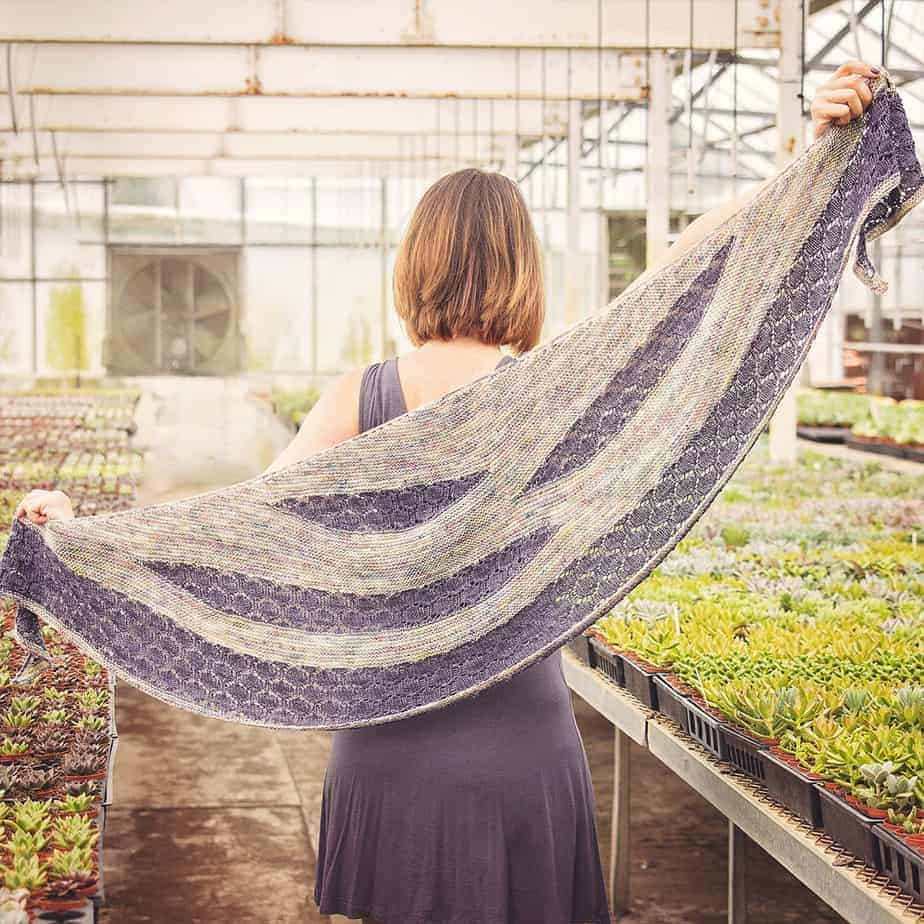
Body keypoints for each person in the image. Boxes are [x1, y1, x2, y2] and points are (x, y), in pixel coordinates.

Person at [15, 59, 879, 924]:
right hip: (524, 756)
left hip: (389, 757)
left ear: (415, 266)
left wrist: (81, 538)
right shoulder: (555, 399)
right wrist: (813, 157)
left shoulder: (358, 398)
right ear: (523, 270)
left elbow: (234, 535)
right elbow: (687, 276)